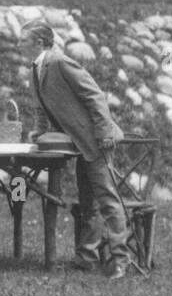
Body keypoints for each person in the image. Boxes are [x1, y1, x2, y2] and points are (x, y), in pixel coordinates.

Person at [21, 19, 129, 279]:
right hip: (79, 142)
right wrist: (39, 130)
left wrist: (104, 132)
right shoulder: (36, 68)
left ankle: (120, 261)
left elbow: (94, 95)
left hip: (96, 139)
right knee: (88, 203)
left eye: (21, 41)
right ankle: (87, 258)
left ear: (38, 42)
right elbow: (40, 108)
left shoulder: (59, 62)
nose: (18, 45)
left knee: (107, 199)